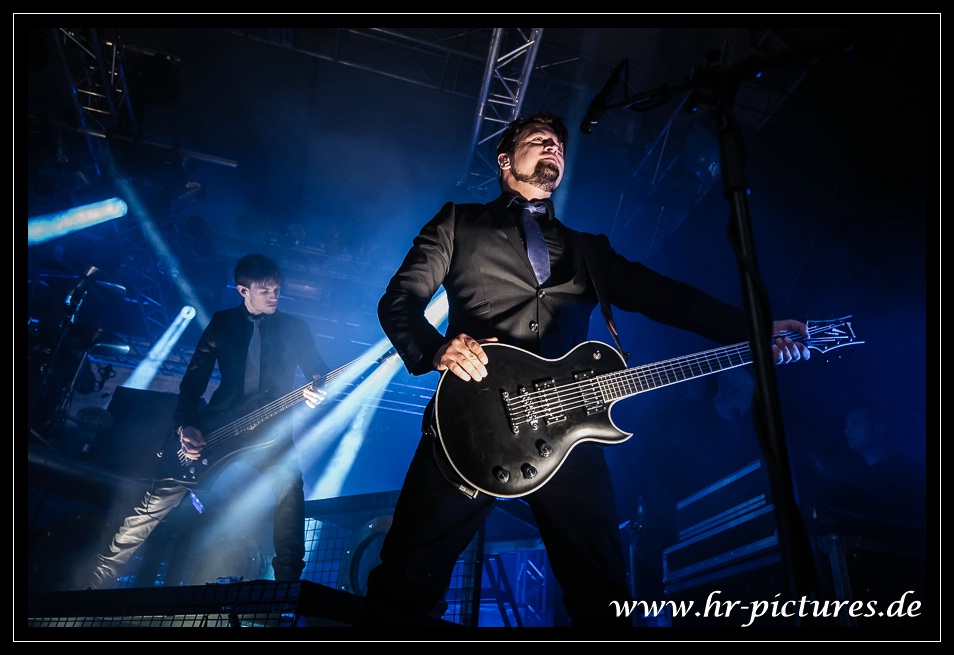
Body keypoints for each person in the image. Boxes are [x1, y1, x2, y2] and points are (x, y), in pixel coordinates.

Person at [353, 111, 811, 628]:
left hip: (570, 431)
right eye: (538, 140)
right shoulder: (458, 221)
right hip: (472, 424)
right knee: (406, 581)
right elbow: (399, 301)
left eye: (559, 145)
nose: (553, 147)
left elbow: (665, 297)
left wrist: (754, 327)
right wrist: (438, 349)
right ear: (505, 160)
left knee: (603, 597)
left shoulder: (589, 249)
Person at [80, 253, 329, 589]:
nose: (274, 296)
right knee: (156, 502)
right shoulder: (222, 324)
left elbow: (318, 369)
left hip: (271, 432)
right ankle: (96, 582)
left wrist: (318, 385)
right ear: (243, 290)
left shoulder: (295, 328)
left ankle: (288, 584)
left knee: (290, 490)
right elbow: (193, 382)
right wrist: (185, 427)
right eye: (265, 290)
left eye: (277, 290)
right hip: (216, 429)